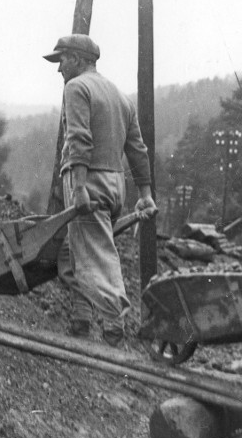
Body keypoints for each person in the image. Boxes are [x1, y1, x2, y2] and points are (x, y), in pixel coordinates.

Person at [43, 34, 157, 346]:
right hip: (115, 183)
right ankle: (81, 317)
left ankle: (113, 326)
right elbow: (137, 149)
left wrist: (79, 187)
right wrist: (145, 194)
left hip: (88, 180)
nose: (59, 69)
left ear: (78, 59)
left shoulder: (76, 88)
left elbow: (79, 139)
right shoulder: (121, 97)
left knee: (95, 254)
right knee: (73, 247)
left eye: (62, 60)